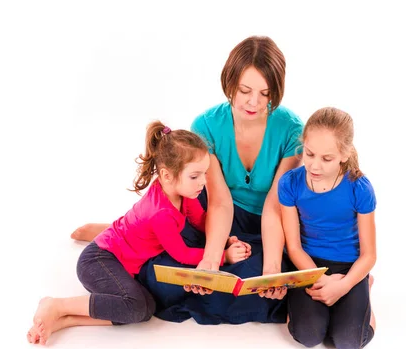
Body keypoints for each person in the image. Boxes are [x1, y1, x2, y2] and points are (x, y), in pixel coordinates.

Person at [70, 36, 303, 324]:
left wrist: (270, 269)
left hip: (269, 223)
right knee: (168, 276)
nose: (254, 102)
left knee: (259, 283)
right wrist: (210, 259)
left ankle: (128, 230)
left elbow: (274, 207)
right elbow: (219, 202)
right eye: (245, 90)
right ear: (230, 83)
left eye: (265, 94)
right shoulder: (206, 124)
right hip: (213, 216)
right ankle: (124, 231)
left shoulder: (292, 130)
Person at [27, 122, 250, 345]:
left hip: (123, 259)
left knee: (145, 310)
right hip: (100, 261)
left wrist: (223, 239)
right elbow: (181, 255)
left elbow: (201, 221)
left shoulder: (184, 193)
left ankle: (67, 320)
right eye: (195, 176)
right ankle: (57, 305)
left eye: (204, 174)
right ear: (167, 175)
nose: (203, 182)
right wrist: (224, 256)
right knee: (134, 306)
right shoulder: (161, 213)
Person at [277, 107, 377, 349]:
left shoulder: (359, 188)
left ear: (344, 154)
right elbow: (294, 247)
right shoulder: (290, 184)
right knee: (308, 336)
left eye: (327, 158)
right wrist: (320, 280)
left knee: (348, 343)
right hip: (308, 265)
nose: (315, 165)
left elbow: (369, 255)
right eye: (309, 154)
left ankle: (366, 288)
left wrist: (343, 286)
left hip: (348, 268)